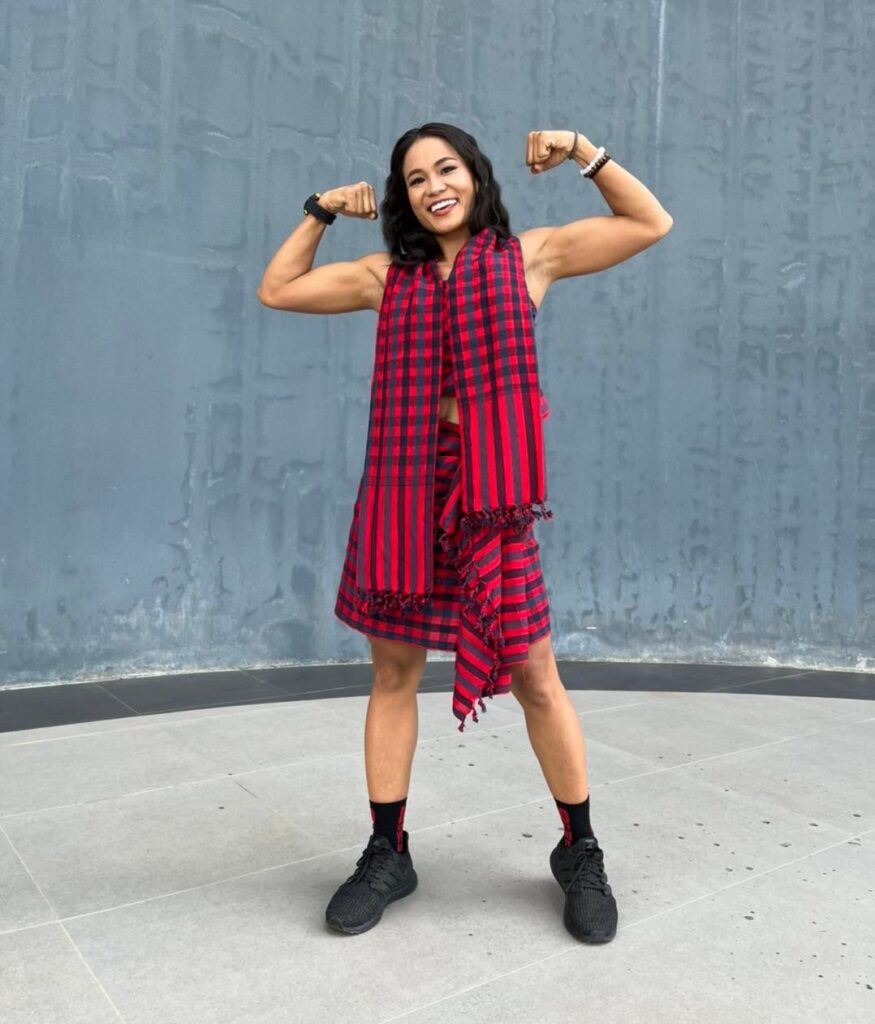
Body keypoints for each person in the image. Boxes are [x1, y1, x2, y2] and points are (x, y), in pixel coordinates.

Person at [257, 122, 672, 942]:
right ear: (403, 198)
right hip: (404, 489)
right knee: (392, 672)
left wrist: (581, 150)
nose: (432, 186)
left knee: (534, 675)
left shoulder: (529, 258)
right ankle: (387, 852)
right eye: (414, 179)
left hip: (491, 495)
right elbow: (278, 287)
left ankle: (579, 850)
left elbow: (647, 222)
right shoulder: (385, 277)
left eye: (445, 168)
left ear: (475, 176)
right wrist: (320, 208)